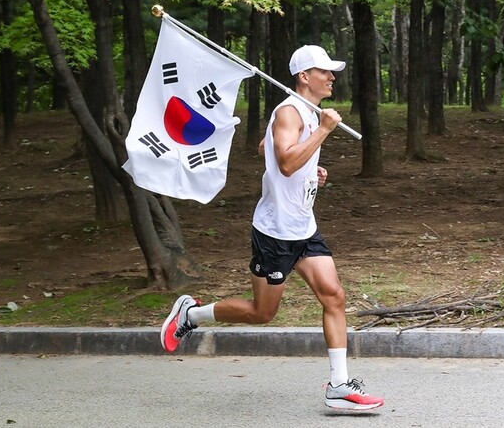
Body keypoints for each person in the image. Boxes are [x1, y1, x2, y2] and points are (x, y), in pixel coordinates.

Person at [160, 44, 384, 411]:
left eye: (332, 71)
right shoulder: (290, 111)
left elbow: (268, 146)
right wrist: (322, 134)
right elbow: (285, 164)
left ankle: (339, 385)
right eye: (324, 71)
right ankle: (191, 313)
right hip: (275, 232)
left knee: (334, 296)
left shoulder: (306, 113)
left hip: (303, 227)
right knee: (263, 313)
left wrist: (314, 168)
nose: (331, 77)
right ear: (304, 77)